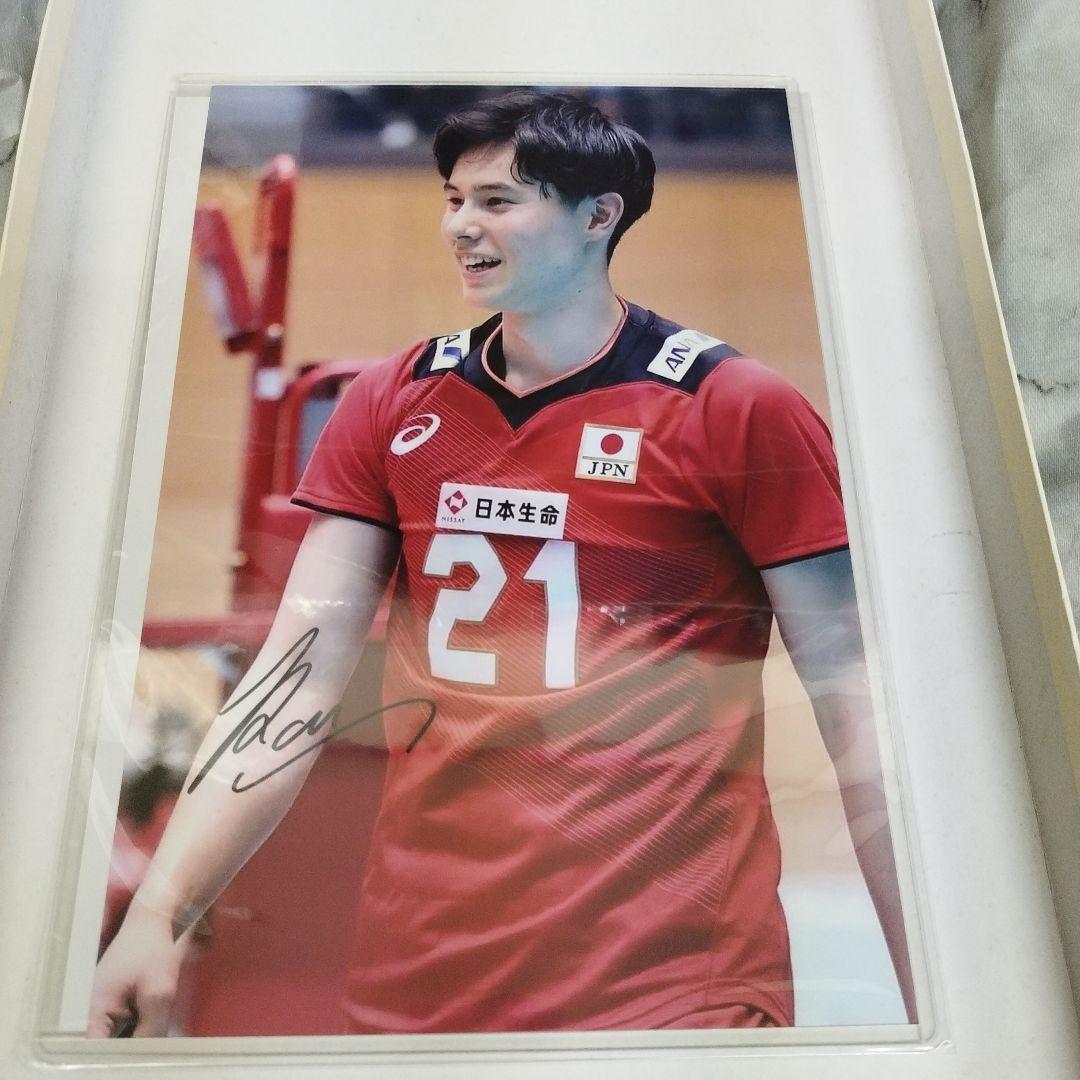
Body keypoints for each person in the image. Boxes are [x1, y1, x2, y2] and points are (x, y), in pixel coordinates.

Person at [89, 90, 914, 1037]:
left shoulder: (735, 410)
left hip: (671, 990)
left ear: (599, 216)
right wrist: (158, 914)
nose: (461, 226)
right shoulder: (395, 401)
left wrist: (945, 996)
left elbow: (858, 719)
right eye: (453, 200)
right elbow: (292, 685)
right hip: (421, 983)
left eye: (497, 201)